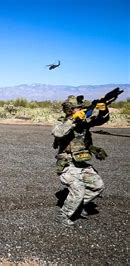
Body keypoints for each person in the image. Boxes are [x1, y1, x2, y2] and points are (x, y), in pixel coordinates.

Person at [52, 95, 110, 226]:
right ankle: (63, 216)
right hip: (68, 165)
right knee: (78, 190)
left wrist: (104, 110)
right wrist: (73, 119)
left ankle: (77, 206)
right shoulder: (62, 122)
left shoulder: (84, 122)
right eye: (77, 108)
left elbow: (101, 120)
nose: (81, 110)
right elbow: (59, 133)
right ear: (69, 110)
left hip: (81, 163)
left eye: (81, 108)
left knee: (98, 186)